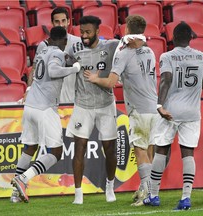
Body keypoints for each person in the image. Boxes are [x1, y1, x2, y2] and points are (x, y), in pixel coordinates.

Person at [84, 15, 158, 206]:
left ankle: (149, 194)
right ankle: (147, 190)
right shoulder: (150, 51)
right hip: (154, 107)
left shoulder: (124, 53)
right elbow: (136, 76)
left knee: (140, 151)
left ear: (126, 29)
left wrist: (94, 78)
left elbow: (110, 82)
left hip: (139, 109)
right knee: (149, 150)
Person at [142, 22, 203, 209]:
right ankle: (185, 198)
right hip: (192, 112)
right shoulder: (202, 56)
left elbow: (165, 80)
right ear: (191, 38)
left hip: (170, 111)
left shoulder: (167, 56)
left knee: (161, 150)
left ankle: (154, 195)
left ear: (173, 38)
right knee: (188, 153)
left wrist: (159, 105)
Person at [10, 26, 81, 203]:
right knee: (56, 152)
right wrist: (75, 69)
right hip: (45, 108)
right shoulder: (57, 52)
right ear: (64, 41)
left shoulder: (42, 52)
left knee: (30, 147)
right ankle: (23, 178)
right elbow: (54, 71)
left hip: (30, 106)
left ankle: (14, 194)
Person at [65, 15, 119, 205]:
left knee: (109, 149)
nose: (84, 36)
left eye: (88, 32)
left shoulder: (111, 46)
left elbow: (127, 47)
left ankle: (110, 187)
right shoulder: (75, 49)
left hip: (106, 104)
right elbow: (66, 63)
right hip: (83, 105)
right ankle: (78, 193)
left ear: (98, 31)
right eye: (82, 32)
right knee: (79, 147)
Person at [27, 7, 81, 103]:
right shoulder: (43, 45)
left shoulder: (79, 43)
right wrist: (29, 90)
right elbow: (35, 70)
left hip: (74, 102)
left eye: (63, 21)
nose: (61, 25)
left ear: (69, 21)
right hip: (50, 103)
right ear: (52, 23)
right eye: (57, 21)